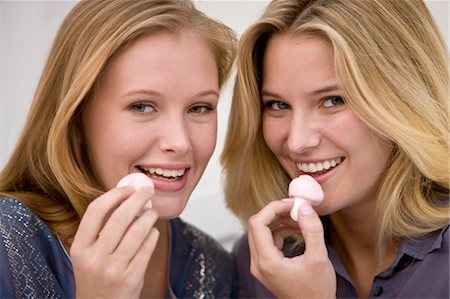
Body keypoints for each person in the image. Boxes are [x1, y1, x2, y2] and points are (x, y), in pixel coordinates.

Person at [0, 0, 237, 298]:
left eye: (199, 107)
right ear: (76, 114)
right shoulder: (7, 245)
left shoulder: (213, 267)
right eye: (142, 106)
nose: (180, 142)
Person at [221, 0, 449, 298]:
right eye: (278, 105)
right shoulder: (263, 261)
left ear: (404, 99)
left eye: (333, 100)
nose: (297, 142)